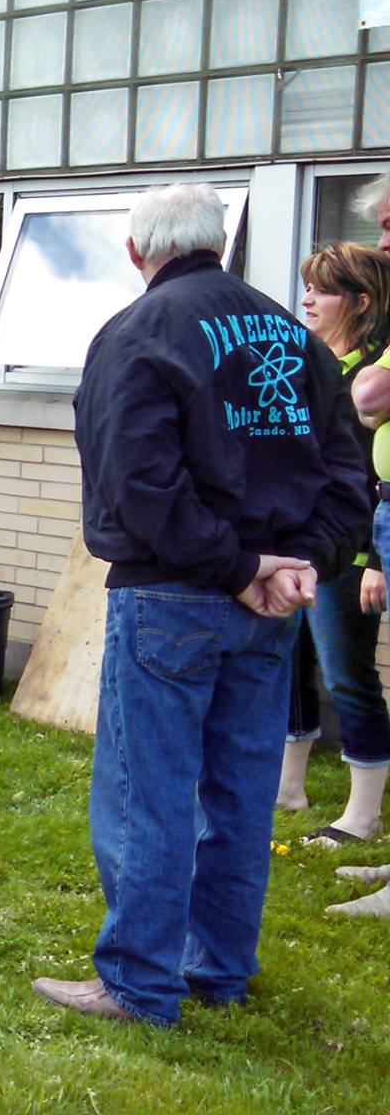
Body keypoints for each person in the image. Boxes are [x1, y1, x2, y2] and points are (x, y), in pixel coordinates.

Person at [33, 183, 370, 1026]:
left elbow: (139, 485)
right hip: (267, 604)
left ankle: (141, 984)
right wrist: (302, 565)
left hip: (174, 596)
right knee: (240, 791)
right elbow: (349, 477)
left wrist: (241, 567)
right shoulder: (299, 338)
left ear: (138, 252)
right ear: (221, 242)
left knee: (147, 793)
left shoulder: (138, 333)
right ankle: (218, 968)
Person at [280, 242, 390, 848]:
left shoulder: (375, 375)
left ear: (362, 300)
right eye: (308, 287)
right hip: (301, 547)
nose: (307, 300)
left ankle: (362, 816)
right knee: (291, 667)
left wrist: (376, 562)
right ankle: (289, 788)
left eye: (322, 290)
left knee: (349, 680)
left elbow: (379, 477)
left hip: (350, 555)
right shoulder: (308, 364)